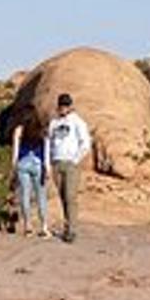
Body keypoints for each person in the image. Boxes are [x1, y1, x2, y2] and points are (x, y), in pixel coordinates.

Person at [44, 92, 92, 243]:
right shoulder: (54, 123)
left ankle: (72, 230)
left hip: (71, 164)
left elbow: (85, 143)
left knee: (70, 197)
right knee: (63, 197)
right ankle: (67, 226)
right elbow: (48, 142)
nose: (63, 108)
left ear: (70, 106)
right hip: (56, 163)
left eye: (66, 105)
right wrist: (48, 163)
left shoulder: (77, 122)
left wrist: (75, 159)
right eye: (61, 105)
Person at [7, 113, 52, 237]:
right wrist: (48, 167)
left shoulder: (19, 130)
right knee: (41, 196)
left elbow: (15, 151)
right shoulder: (43, 131)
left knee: (25, 195)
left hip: (23, 162)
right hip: (38, 163)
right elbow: (46, 151)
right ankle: (44, 227)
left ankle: (28, 226)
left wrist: (13, 167)